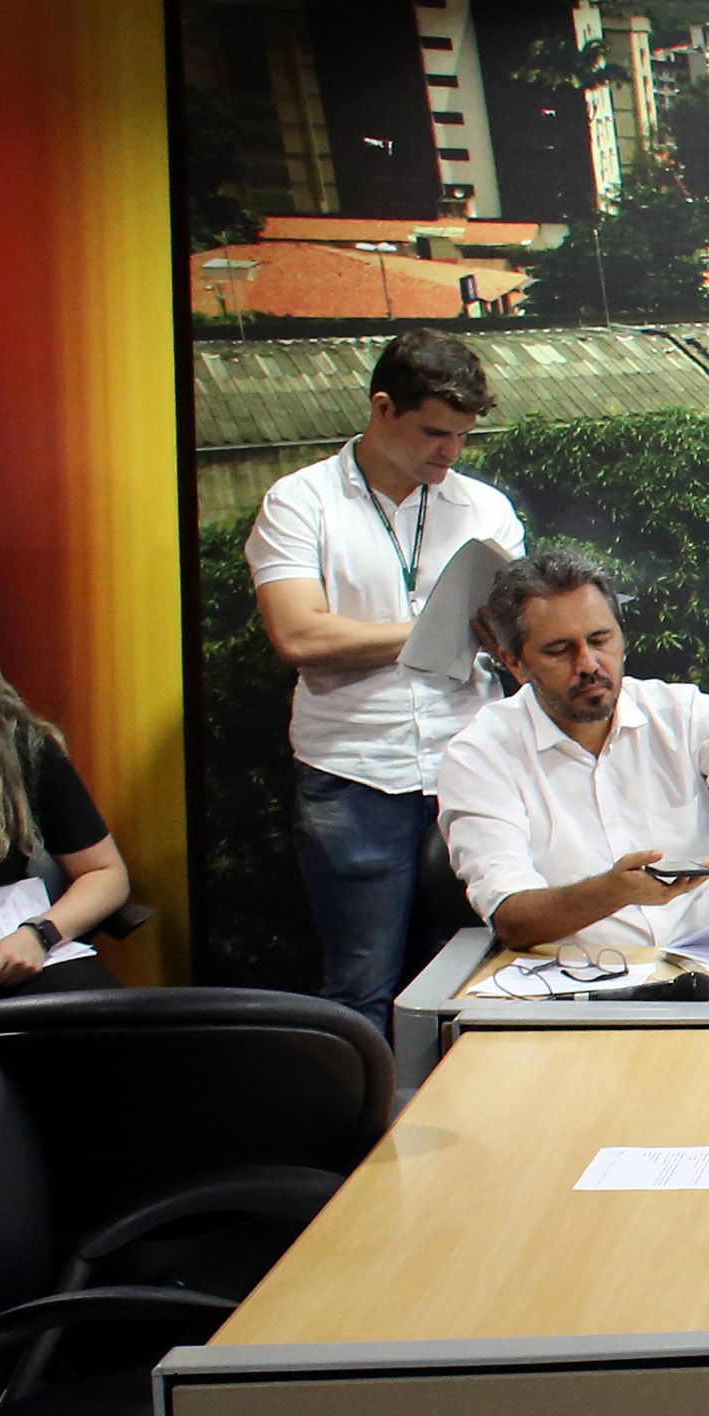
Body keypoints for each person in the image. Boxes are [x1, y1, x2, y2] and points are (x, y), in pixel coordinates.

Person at [246, 327, 527, 1030]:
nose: (450, 453)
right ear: (382, 409)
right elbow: (300, 636)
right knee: (360, 985)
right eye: (435, 433)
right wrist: (437, 630)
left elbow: (512, 634)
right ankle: (369, 1106)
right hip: (354, 770)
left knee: (486, 977)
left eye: (462, 436)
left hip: (471, 765)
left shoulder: (484, 508)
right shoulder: (300, 501)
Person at [435, 550, 709, 954]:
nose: (589, 664)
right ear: (515, 663)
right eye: (559, 650)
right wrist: (613, 891)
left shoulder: (682, 713)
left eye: (600, 640)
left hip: (699, 971)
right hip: (563, 980)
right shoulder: (479, 754)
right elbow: (511, 918)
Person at [0, 602, 128, 996]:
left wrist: (39, 934)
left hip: (5, 946)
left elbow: (105, 873)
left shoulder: (20, 748)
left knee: (99, 1017)